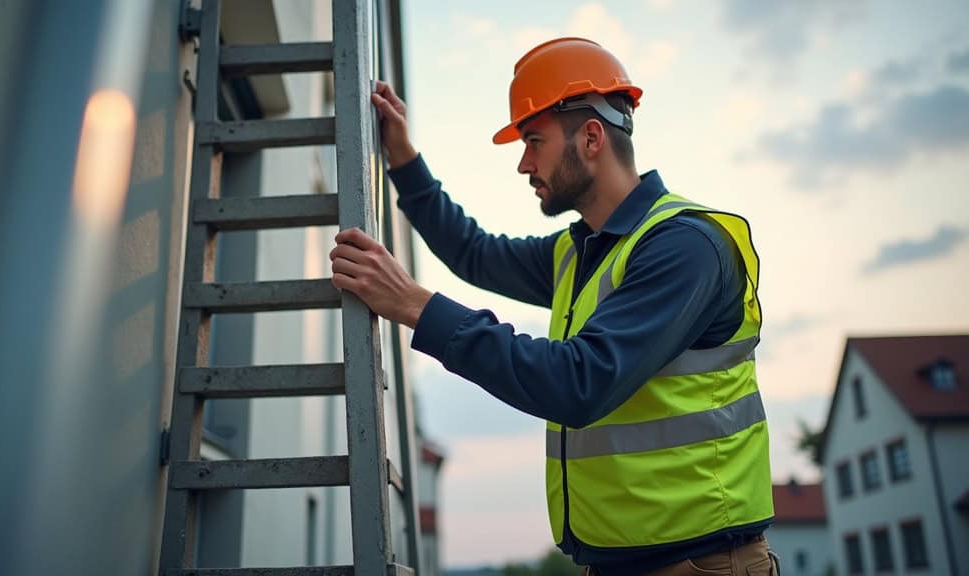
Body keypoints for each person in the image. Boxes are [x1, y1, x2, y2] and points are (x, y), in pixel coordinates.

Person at [330, 37, 777, 576]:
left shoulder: (683, 248)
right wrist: (403, 160)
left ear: (591, 138)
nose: (523, 164)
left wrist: (414, 305)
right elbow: (474, 253)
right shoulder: (581, 249)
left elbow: (577, 383)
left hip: (702, 565)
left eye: (534, 140)